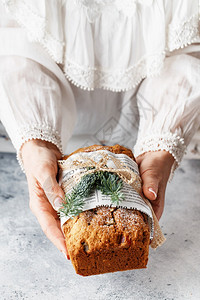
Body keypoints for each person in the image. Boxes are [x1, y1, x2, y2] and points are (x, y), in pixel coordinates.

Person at [0, 0, 200, 260]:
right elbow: (15, 38)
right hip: (59, 151)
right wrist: (37, 143)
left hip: (161, 135)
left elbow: (188, 43)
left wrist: (161, 145)